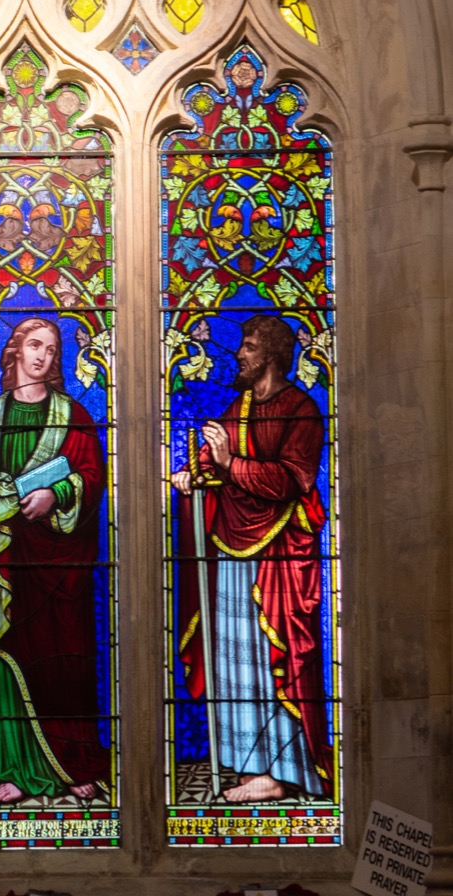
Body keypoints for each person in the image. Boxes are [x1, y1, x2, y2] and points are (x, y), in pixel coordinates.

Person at [172, 315, 333, 803]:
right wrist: (191, 476)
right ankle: (250, 765)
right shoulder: (237, 408)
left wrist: (227, 465)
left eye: (246, 346)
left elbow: (292, 480)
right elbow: (209, 458)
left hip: (281, 558)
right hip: (234, 553)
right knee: (235, 659)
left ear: (270, 353)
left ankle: (285, 769)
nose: (238, 355)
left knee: (276, 657)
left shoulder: (302, 410)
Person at [0, 317, 109, 804]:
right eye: (34, 345)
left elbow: (92, 477)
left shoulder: (73, 416)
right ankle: (11, 768)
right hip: (3, 564)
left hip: (59, 568)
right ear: (15, 352)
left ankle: (72, 762)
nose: (43, 356)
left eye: (52, 348)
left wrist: (55, 494)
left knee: (66, 663)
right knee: (5, 659)